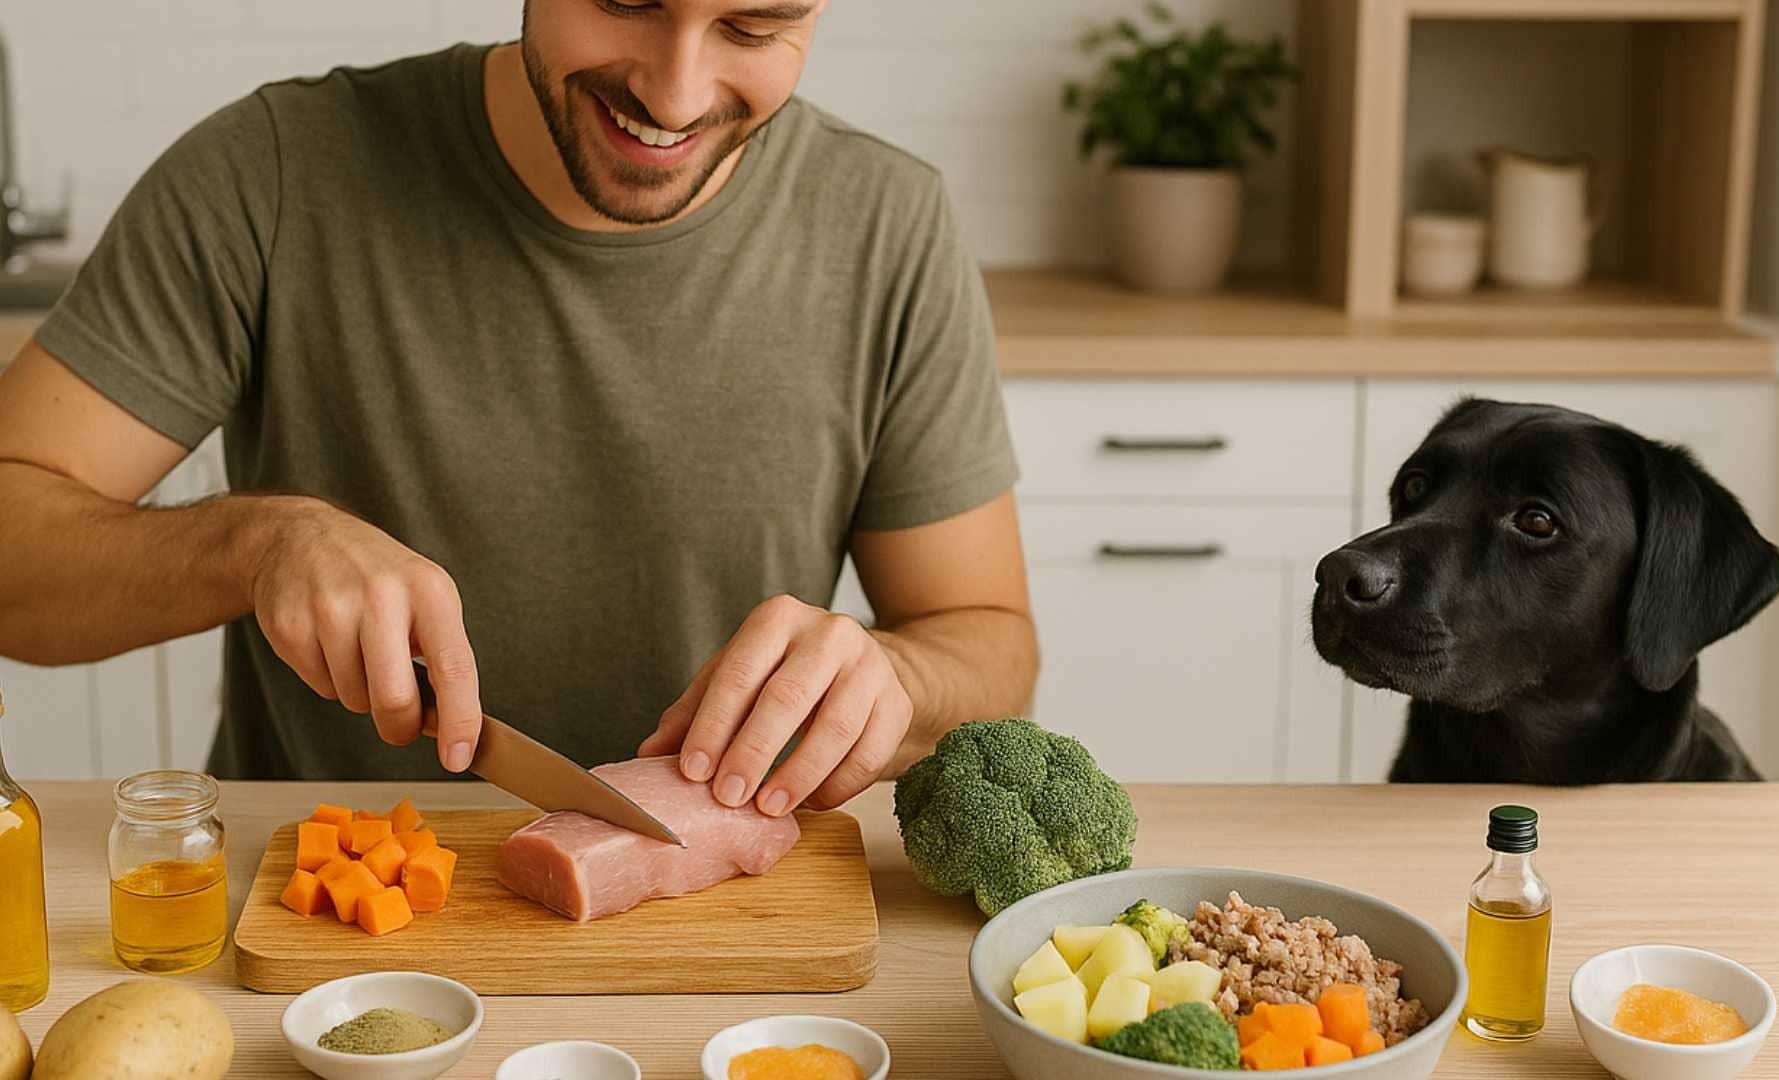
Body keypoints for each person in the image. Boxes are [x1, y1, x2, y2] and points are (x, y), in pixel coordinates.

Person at [0, 0, 1037, 818]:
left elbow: (990, 648)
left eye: (755, 27)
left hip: (719, 924)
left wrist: (890, 674)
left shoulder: (888, 225)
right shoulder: (270, 173)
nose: (676, 95)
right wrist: (258, 543)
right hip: (326, 908)